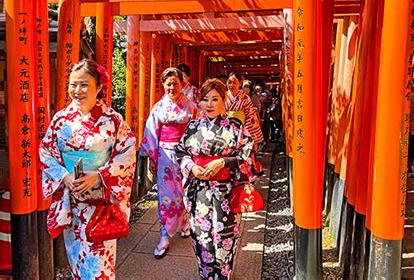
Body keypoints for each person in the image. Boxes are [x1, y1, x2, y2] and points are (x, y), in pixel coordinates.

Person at [40, 59, 136, 279]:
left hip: (100, 204)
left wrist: (100, 175)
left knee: (99, 268)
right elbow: (45, 151)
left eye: (84, 85)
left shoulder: (113, 120)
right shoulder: (61, 120)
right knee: (76, 263)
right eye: (73, 84)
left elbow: (128, 152)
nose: (77, 90)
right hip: (72, 201)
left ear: (99, 87)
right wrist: (64, 176)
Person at [175, 79, 259, 279]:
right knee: (201, 236)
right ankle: (206, 275)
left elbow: (246, 152)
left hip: (225, 190)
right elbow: (181, 151)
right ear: (199, 103)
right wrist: (192, 167)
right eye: (205, 100)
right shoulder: (193, 126)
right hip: (199, 190)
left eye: (215, 99)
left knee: (224, 237)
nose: (209, 104)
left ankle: (223, 275)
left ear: (223, 101)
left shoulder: (234, 125)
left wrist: (223, 162)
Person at [140, 68, 198, 259]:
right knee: (166, 195)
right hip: (165, 155)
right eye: (168, 83)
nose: (172, 87)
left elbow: (197, 132)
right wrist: (152, 157)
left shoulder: (191, 106)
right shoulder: (159, 107)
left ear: (182, 84)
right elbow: (151, 133)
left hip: (186, 155)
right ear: (163, 84)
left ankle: (185, 223)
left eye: (175, 83)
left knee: (185, 192)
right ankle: (164, 235)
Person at [225, 71, 264, 149]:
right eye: (229, 82)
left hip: (242, 130)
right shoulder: (223, 96)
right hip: (225, 130)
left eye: (234, 82)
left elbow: (251, 118)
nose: (231, 85)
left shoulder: (245, 98)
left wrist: (253, 139)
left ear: (240, 83)